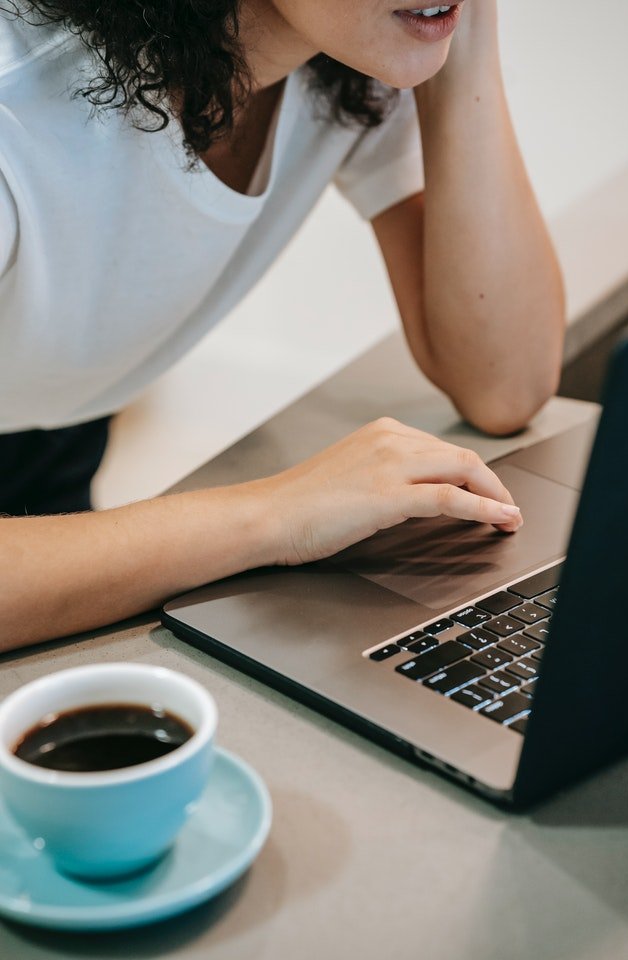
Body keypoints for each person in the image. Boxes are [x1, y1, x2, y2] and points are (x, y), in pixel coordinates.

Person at [0, 0, 565, 652]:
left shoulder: (354, 48)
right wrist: (275, 513)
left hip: (52, 441)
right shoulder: (19, 108)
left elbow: (505, 383)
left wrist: (463, 42)